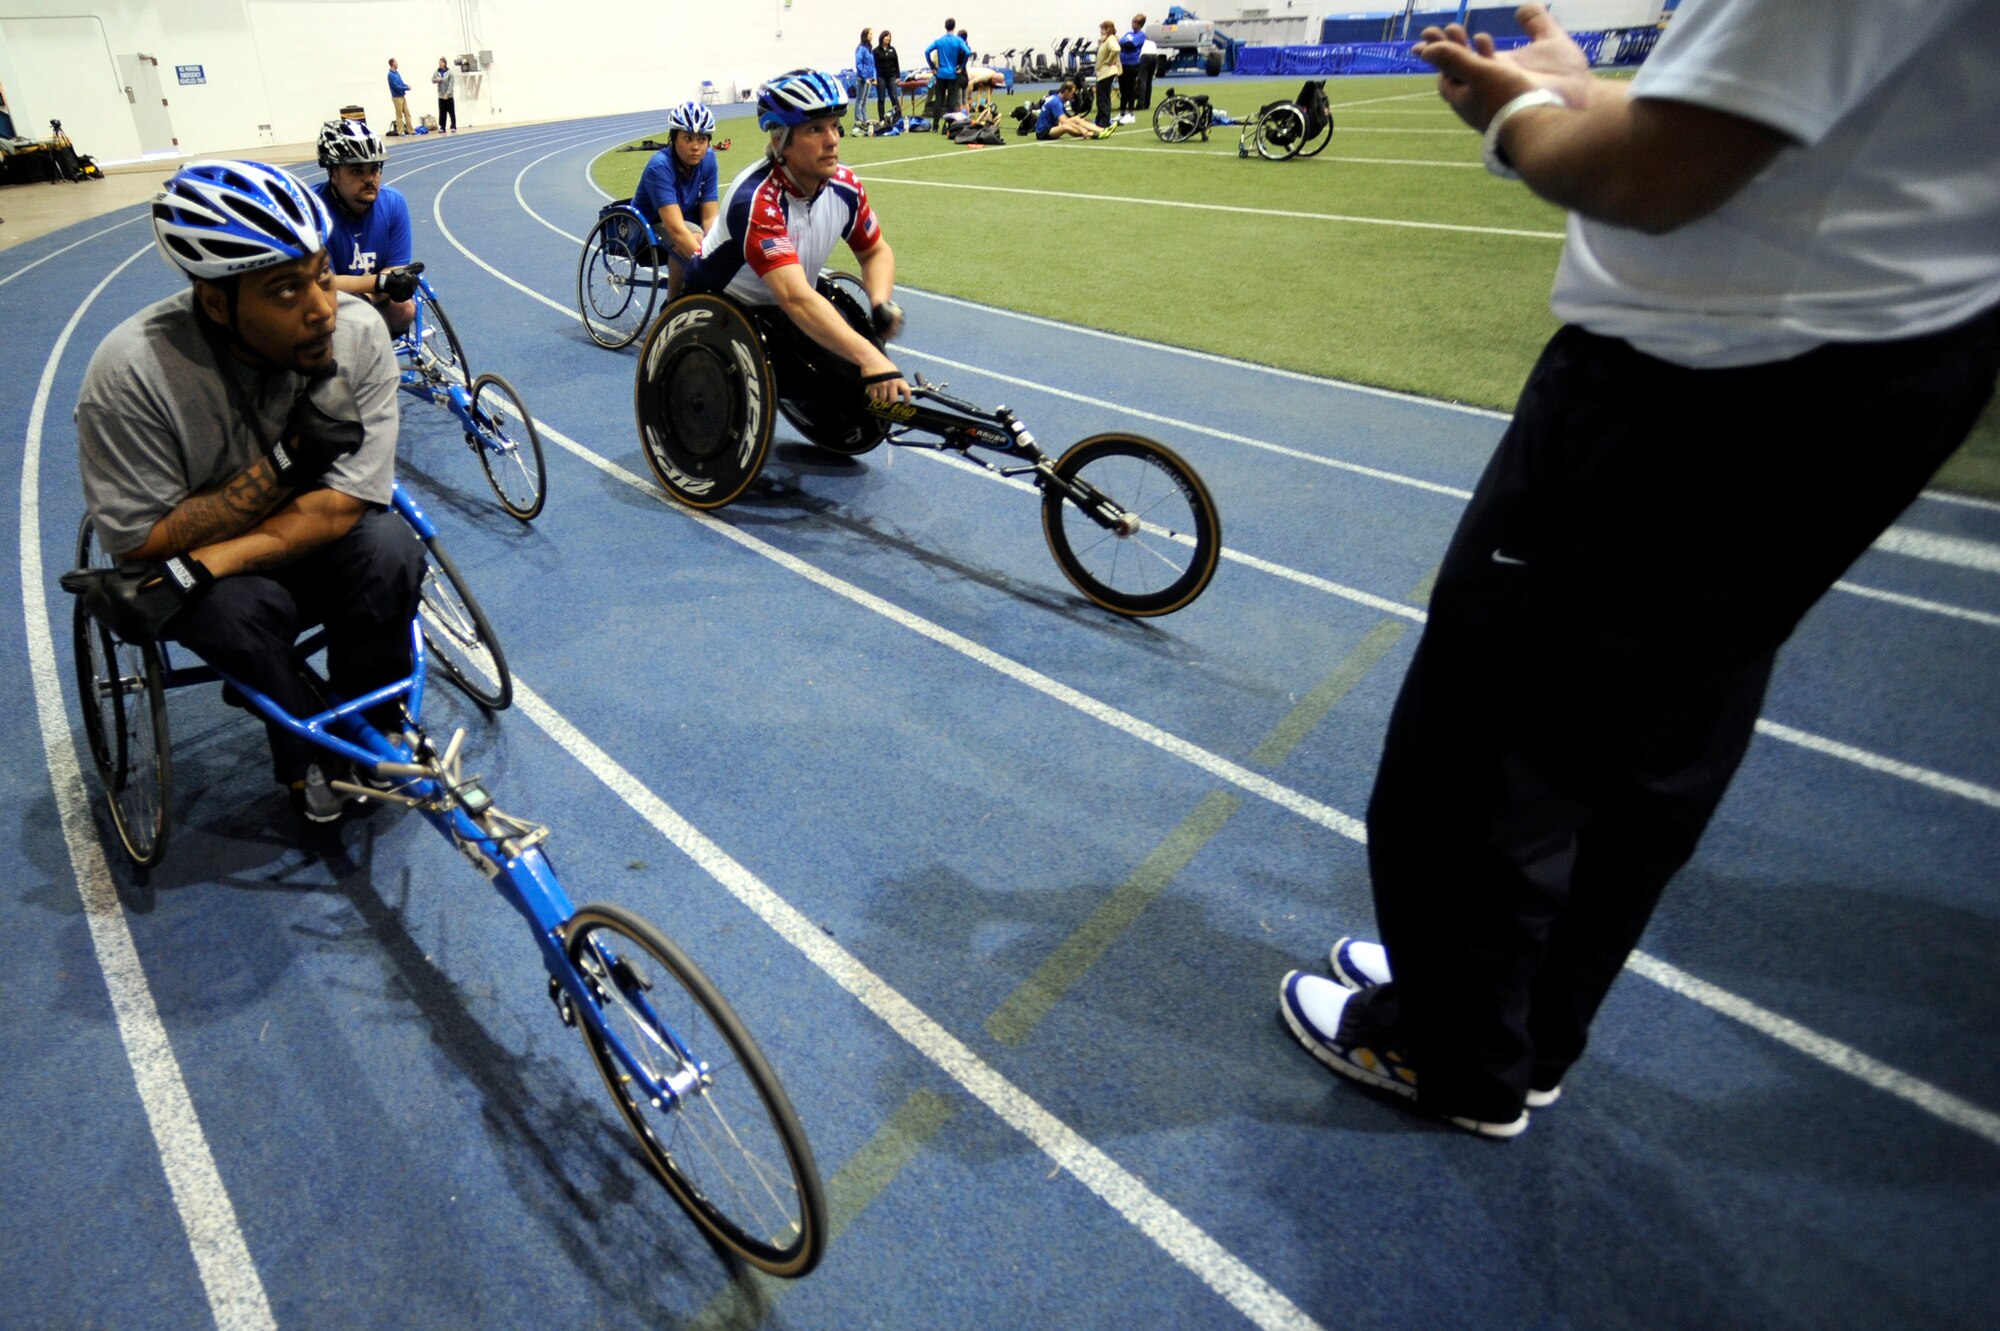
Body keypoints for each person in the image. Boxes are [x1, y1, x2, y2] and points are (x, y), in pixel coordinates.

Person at [1277, 0, 2000, 1139]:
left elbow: (1653, 177)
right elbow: (1741, 127)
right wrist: (1575, 94)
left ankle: (1448, 1048)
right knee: (1661, 725)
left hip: (1696, 383)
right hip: (1881, 364)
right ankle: (1527, 1026)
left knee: (1483, 744)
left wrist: (1513, 113)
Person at [69, 160, 423, 826]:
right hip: (217, 580)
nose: (322, 309)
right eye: (287, 291)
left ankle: (373, 720)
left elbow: (343, 506)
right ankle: (305, 760)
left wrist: (209, 558)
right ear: (216, 301)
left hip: (235, 553)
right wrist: (288, 461)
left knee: (391, 548)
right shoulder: (129, 378)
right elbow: (141, 539)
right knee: (245, 616)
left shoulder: (358, 332)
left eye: (322, 274)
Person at [682, 69, 910, 406]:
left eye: (834, 126)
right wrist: (871, 357)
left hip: (784, 305)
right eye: (815, 129)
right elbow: (796, 298)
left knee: (849, 382)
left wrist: (879, 302)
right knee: (852, 366)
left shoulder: (845, 186)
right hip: (720, 310)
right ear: (779, 141)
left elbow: (875, 251)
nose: (832, 140)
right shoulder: (756, 201)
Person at [312, 119, 418, 335]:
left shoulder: (394, 203)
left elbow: (395, 271)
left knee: (405, 309)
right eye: (357, 171)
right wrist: (379, 282)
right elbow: (322, 283)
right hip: (330, 300)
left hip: (374, 294)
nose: (370, 179)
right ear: (333, 173)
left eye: (375, 169)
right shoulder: (312, 211)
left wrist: (370, 295)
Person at [629, 100, 720, 301]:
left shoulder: (709, 160)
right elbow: (677, 230)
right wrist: (710, 267)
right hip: (646, 232)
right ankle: (672, 305)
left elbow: (710, 218)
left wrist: (719, 249)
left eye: (702, 139)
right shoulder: (659, 167)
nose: (696, 147)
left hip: (683, 223)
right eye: (688, 138)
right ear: (674, 139)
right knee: (693, 237)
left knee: (719, 235)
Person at [925, 18, 972, 124]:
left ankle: (935, 125)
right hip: (953, 75)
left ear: (945, 27)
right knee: (951, 101)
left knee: (939, 100)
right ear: (954, 27)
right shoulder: (958, 40)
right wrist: (961, 66)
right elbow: (968, 52)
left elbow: (927, 51)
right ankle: (949, 125)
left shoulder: (939, 40)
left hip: (941, 73)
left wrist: (932, 66)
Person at [1035, 82, 1111, 141]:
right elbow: (1064, 121)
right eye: (1071, 93)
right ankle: (1093, 134)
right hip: (1044, 132)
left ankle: (1102, 130)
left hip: (1053, 125)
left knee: (1076, 119)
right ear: (1066, 91)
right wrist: (1081, 128)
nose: (1072, 96)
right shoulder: (1056, 102)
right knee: (1065, 127)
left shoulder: (1057, 98)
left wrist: (1079, 123)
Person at [1116, 15, 1146, 125]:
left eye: (1136, 22)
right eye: (1133, 21)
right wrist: (1121, 43)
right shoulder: (1128, 34)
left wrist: (1121, 43)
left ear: (1140, 24)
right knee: (1122, 89)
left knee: (1130, 89)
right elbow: (1120, 44)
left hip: (1132, 65)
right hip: (1122, 65)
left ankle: (1131, 114)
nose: (1133, 24)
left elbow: (1129, 45)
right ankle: (1122, 113)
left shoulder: (1141, 35)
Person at [1094, 20, 1120, 132]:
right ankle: (1100, 120)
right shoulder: (1105, 40)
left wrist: (1109, 61)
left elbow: (1116, 49)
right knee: (1101, 98)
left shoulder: (1111, 39)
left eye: (1102, 28)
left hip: (1107, 73)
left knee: (1103, 98)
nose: (1100, 31)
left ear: (1107, 29)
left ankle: (1104, 122)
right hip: (1103, 73)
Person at [874, 31, 904, 125]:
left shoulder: (892, 49)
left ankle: (898, 117)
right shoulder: (876, 51)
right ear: (882, 37)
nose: (888, 38)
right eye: (886, 36)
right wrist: (874, 78)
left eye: (889, 37)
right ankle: (882, 118)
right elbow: (873, 65)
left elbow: (896, 63)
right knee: (881, 98)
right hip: (880, 76)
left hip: (891, 76)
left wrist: (898, 76)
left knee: (894, 96)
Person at [853, 28, 877, 127]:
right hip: (862, 79)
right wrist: (864, 77)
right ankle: (859, 120)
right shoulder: (861, 49)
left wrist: (873, 77)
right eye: (870, 34)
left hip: (869, 79)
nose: (872, 36)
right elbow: (858, 63)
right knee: (860, 100)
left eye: (872, 34)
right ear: (865, 35)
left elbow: (872, 65)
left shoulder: (869, 49)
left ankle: (864, 118)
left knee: (865, 100)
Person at [385, 58, 412, 136]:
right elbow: (396, 87)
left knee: (407, 113)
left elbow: (401, 83)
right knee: (399, 114)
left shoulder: (397, 73)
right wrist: (406, 88)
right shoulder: (390, 75)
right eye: (396, 62)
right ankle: (401, 131)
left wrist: (406, 85)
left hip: (402, 96)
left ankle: (411, 130)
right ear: (393, 64)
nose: (397, 63)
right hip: (396, 97)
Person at [432, 57, 457, 133]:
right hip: (441, 96)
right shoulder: (436, 72)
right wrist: (437, 80)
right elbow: (432, 80)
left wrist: (447, 94)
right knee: (442, 112)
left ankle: (453, 126)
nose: (440, 64)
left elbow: (451, 84)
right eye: (440, 62)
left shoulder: (450, 73)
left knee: (451, 112)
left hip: (449, 96)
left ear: (445, 63)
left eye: (442, 62)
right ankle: (442, 127)